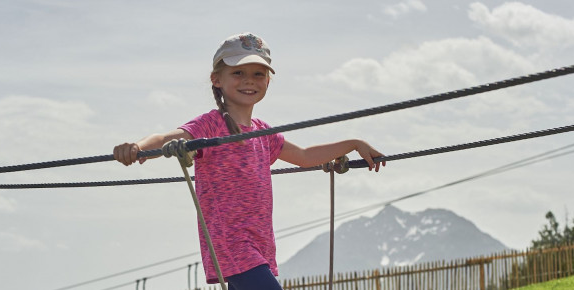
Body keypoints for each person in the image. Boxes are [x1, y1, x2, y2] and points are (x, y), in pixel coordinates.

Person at [113, 32, 385, 290]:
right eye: (238, 73)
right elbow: (167, 137)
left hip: (260, 245)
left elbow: (303, 156)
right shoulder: (210, 125)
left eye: (258, 74)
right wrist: (138, 147)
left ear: (268, 81)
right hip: (232, 247)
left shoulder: (263, 133)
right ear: (217, 79)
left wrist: (353, 143)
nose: (249, 80)